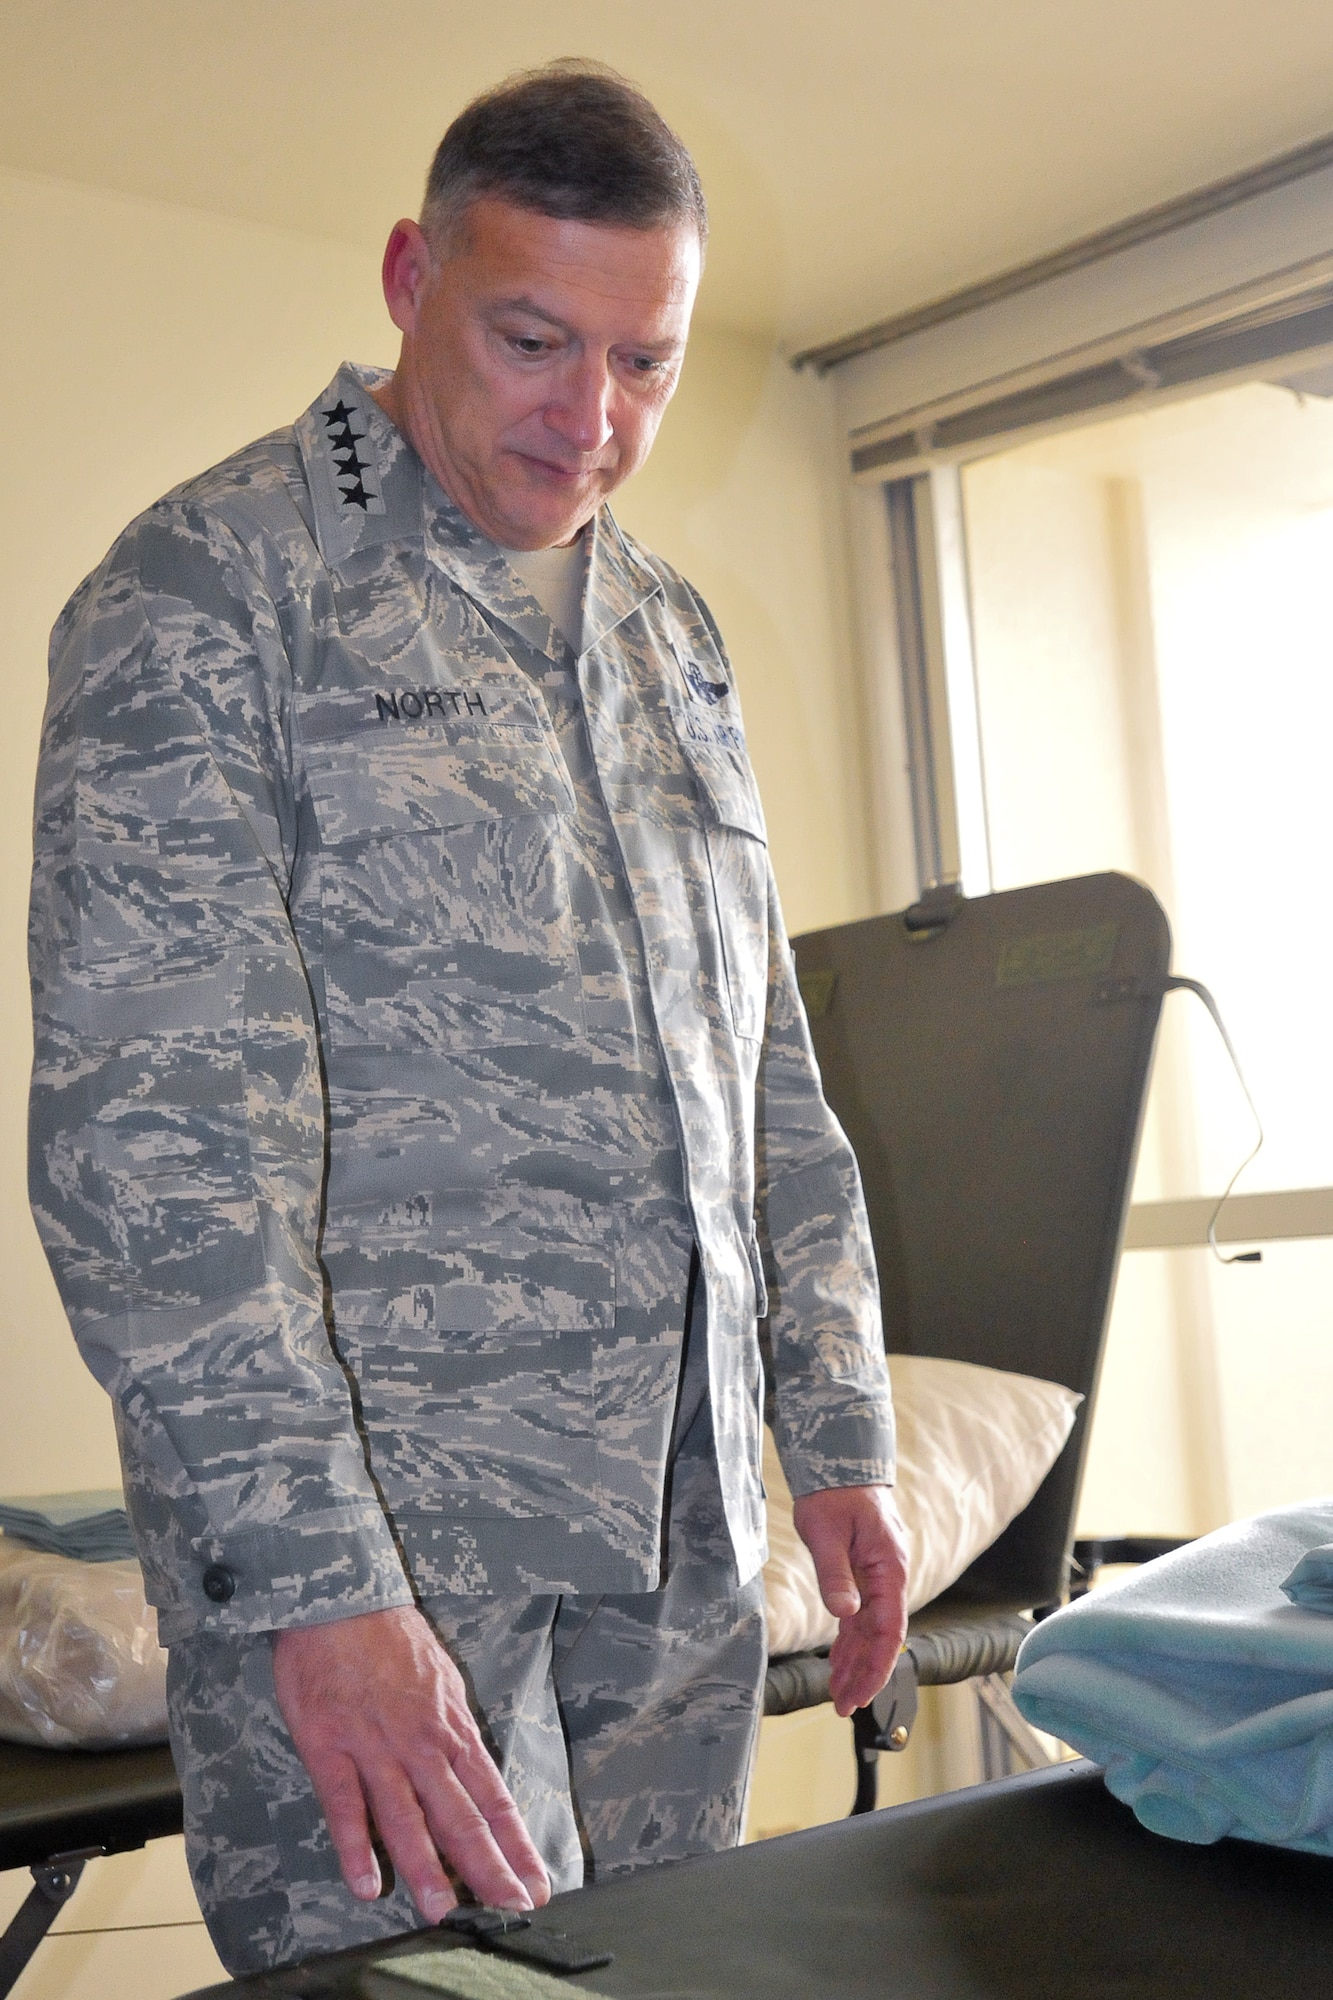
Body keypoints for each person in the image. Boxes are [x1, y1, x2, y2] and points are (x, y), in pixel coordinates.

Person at [27, 60, 908, 1976]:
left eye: (648, 364)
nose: (589, 420)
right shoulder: (210, 589)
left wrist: (834, 1428)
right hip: (389, 1559)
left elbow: (759, 1067)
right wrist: (318, 1587)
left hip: (674, 1527)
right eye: (531, 338)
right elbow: (152, 1146)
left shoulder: (669, 635)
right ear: (411, 274)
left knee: (667, 1975)